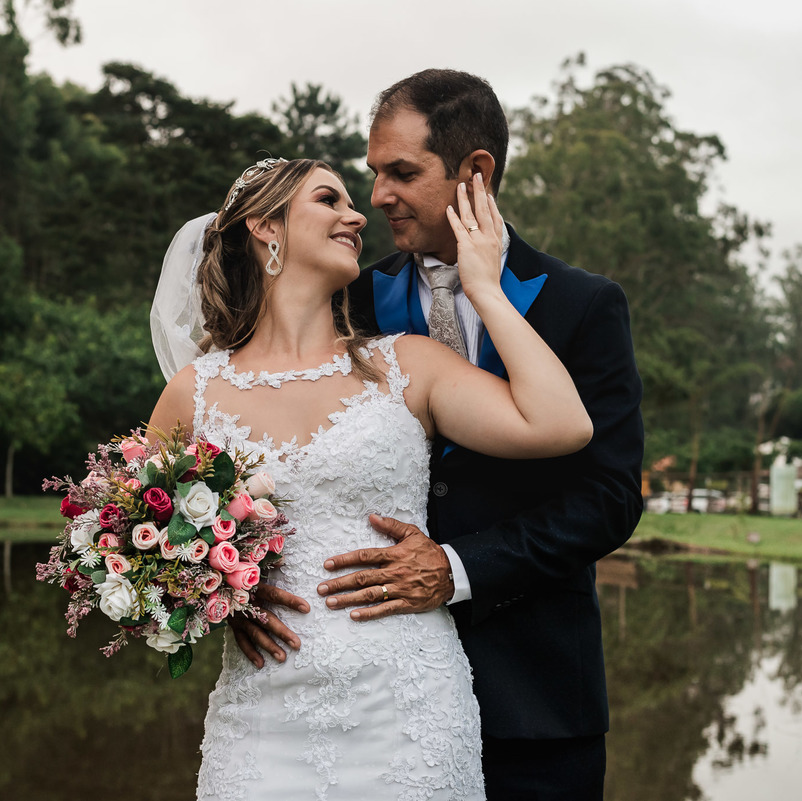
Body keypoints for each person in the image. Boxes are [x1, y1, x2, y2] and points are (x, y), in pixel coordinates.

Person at [231, 71, 645, 799]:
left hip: (538, 697)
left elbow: (608, 498)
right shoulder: (349, 299)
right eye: (372, 175)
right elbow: (268, 443)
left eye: (402, 172)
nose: (378, 197)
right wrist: (236, 584)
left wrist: (456, 567)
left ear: (475, 170)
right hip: (366, 700)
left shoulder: (584, 305)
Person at [146, 157, 593, 800]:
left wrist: (486, 289)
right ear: (266, 226)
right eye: (329, 199)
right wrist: (217, 599)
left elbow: (562, 424)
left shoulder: (407, 365)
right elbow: (130, 543)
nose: (357, 215)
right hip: (263, 717)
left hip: (407, 709)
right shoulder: (195, 394)